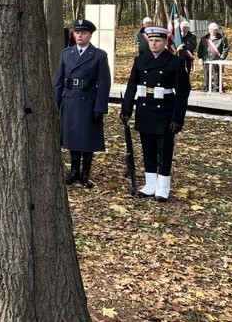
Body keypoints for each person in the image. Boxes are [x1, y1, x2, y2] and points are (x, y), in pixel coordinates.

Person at [121, 26, 191, 201]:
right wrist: (126, 108)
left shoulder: (175, 62)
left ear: (166, 42)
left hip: (165, 111)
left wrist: (177, 118)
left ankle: (163, 187)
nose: (153, 43)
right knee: (148, 149)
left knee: (164, 151)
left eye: (157, 40)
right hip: (145, 109)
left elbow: (183, 92)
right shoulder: (140, 60)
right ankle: (150, 184)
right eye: (151, 40)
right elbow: (131, 86)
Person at [53, 18, 111, 188]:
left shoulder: (99, 55)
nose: (79, 35)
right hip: (70, 100)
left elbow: (104, 83)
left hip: (88, 101)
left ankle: (85, 173)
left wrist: (100, 107)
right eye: (77, 32)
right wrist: (55, 103)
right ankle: (74, 171)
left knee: (87, 138)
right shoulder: (66, 53)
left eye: (84, 32)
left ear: (90, 35)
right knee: (72, 137)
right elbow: (59, 80)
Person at [197, 22, 230, 91]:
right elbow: (200, 48)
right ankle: (206, 87)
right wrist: (200, 57)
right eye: (211, 30)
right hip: (206, 58)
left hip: (217, 59)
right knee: (206, 74)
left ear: (217, 30)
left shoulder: (222, 38)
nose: (213, 31)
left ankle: (217, 88)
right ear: (209, 30)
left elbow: (225, 48)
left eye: (215, 30)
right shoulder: (204, 38)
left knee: (216, 74)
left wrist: (222, 58)